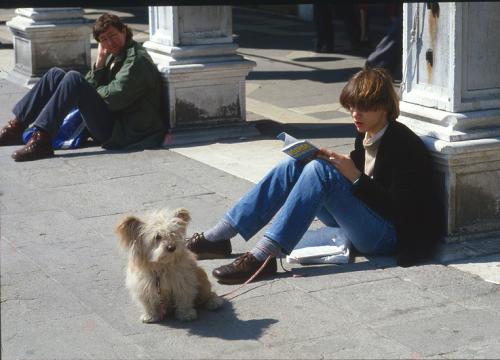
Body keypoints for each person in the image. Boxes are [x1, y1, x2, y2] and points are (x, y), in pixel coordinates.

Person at [186, 68, 444, 284]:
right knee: (295, 163)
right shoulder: (366, 132)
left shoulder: (404, 145)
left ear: (385, 107)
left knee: (320, 172)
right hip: (364, 221)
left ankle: (265, 255)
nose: (355, 113)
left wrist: (355, 177)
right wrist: (331, 160)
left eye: (364, 107)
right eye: (352, 106)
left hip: (388, 236)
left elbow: (399, 212)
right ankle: (219, 237)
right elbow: (365, 173)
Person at [0, 13, 166, 161]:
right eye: (104, 40)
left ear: (124, 31)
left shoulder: (136, 61)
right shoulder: (113, 54)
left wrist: (85, 91)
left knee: (74, 79)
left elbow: (113, 99)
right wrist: (100, 64)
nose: (110, 42)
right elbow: (93, 87)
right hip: (111, 119)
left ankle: (42, 139)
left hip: (123, 131)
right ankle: (16, 127)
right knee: (55, 74)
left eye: (113, 35)